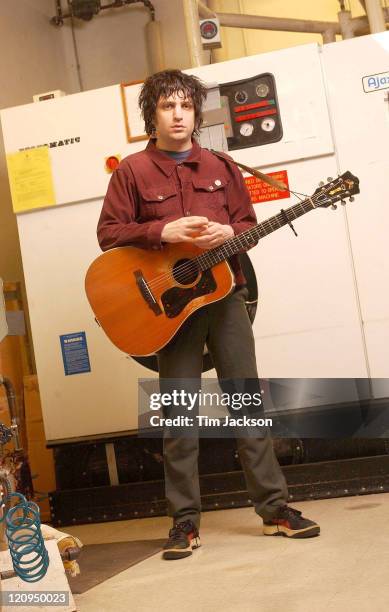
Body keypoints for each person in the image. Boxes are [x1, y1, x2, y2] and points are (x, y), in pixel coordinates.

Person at [97, 69, 320, 560]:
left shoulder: (221, 165)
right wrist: (162, 231)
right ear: (151, 116)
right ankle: (184, 523)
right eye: (166, 106)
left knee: (246, 404)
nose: (178, 115)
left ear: (196, 113)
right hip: (169, 311)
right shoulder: (132, 171)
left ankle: (275, 510)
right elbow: (109, 234)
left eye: (185, 106)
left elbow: (247, 224)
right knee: (179, 413)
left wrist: (230, 233)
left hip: (225, 297)